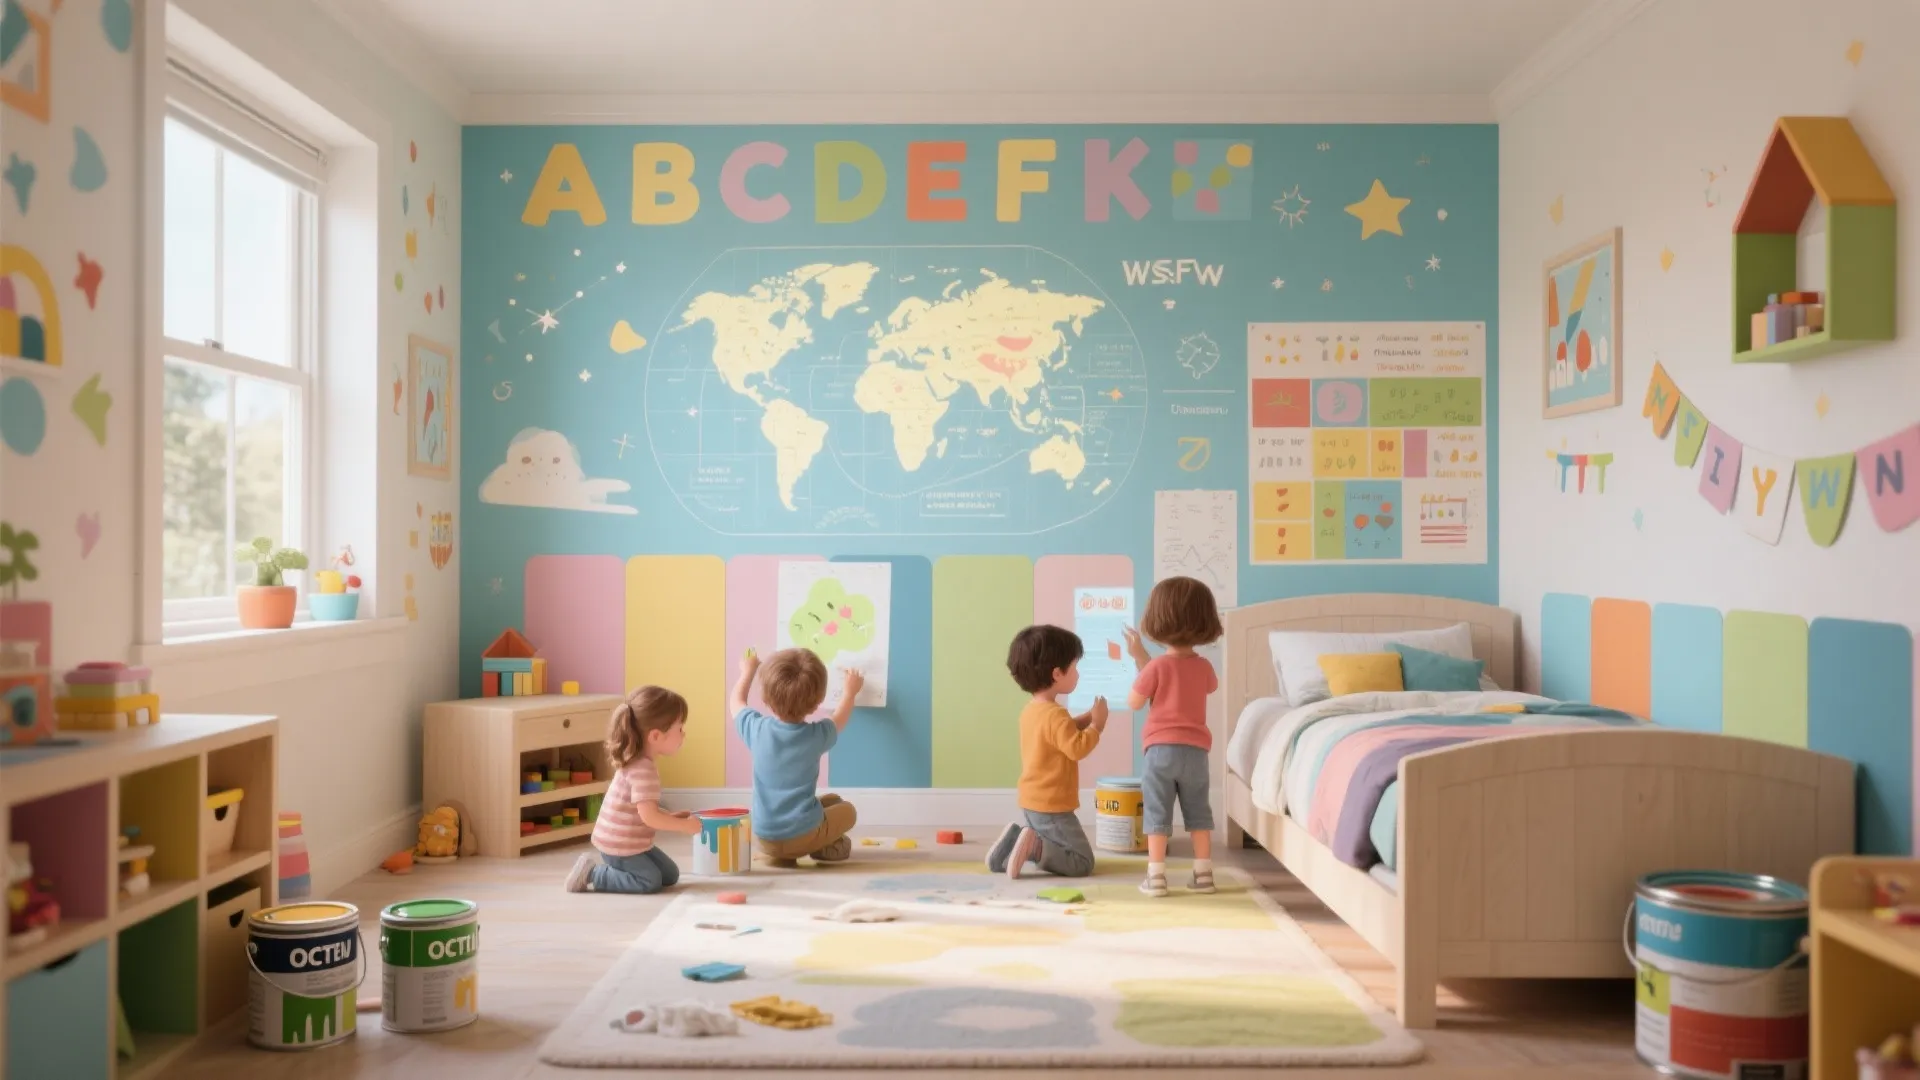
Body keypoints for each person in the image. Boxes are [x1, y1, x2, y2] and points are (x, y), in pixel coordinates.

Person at [1124, 576, 1224, 897]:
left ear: (1157, 619)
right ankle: (1204, 873)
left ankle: (1156, 877)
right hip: (1196, 752)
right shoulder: (1205, 666)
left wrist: (1142, 665)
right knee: (1199, 813)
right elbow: (1209, 687)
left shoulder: (1155, 668)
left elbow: (1135, 702)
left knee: (1157, 812)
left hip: (1160, 752)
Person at [987, 624, 1107, 879]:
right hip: (1053, 806)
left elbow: (1057, 737)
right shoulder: (1057, 715)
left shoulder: (1033, 710)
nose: (1078, 674)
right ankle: (1034, 847)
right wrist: (1097, 726)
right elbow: (1076, 747)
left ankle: (1014, 841)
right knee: (1082, 862)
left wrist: (1086, 718)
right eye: (1074, 668)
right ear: (1057, 674)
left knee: (1054, 845)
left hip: (1033, 800)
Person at [566, 685, 702, 893]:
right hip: (620, 847)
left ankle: (610, 871)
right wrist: (682, 826)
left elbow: (643, 810)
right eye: (680, 729)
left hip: (632, 842)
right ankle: (593, 874)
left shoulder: (640, 763)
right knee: (649, 881)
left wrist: (672, 816)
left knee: (670, 875)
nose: (684, 734)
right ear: (656, 736)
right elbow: (650, 818)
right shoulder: (643, 770)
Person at [734, 648, 862, 867]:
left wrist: (748, 671)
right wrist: (850, 692)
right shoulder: (817, 735)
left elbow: (736, 700)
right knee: (848, 811)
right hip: (801, 837)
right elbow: (839, 718)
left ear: (765, 698)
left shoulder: (756, 729)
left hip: (763, 837)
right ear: (818, 701)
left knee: (832, 801)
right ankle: (824, 846)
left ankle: (784, 851)